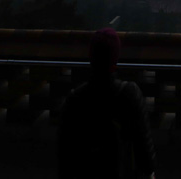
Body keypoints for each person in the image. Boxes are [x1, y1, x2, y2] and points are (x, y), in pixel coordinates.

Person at [58, 27, 156, 179]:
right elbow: (146, 157)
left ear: (91, 57)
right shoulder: (129, 94)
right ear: (115, 58)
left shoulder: (74, 99)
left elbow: (65, 159)